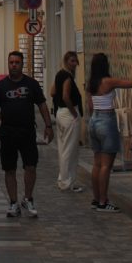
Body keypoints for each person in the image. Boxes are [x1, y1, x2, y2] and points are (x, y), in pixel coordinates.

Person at [0, 50, 53, 218]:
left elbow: (42, 104)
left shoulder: (31, 84)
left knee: (31, 166)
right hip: (7, 132)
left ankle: (28, 198)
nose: (14, 65)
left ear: (22, 64)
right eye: (11, 62)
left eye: (17, 62)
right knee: (9, 169)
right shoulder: (0, 86)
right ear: (8, 64)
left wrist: (48, 125)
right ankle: (13, 202)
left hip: (27, 131)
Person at [84, 52, 132, 212]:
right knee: (106, 165)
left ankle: (96, 199)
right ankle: (103, 201)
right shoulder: (108, 81)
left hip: (93, 121)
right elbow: (131, 83)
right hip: (107, 121)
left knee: (97, 163)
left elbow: (90, 106)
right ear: (105, 65)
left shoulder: (91, 83)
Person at [51, 51, 84, 192]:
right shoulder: (68, 77)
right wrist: (74, 113)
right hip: (69, 114)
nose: (75, 64)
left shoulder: (59, 74)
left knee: (64, 148)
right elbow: (65, 96)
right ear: (66, 61)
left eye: (76, 61)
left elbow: (52, 92)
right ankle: (67, 182)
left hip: (60, 113)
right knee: (70, 150)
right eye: (72, 61)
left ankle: (63, 179)